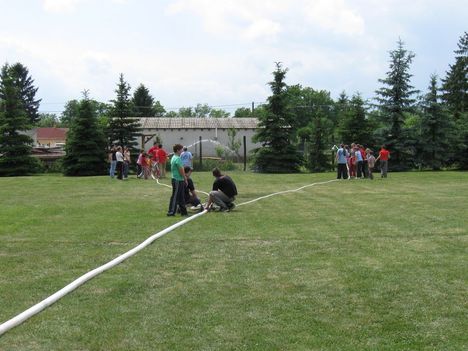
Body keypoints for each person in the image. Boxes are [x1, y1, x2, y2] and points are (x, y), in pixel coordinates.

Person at [167, 144, 188, 217]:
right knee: (175, 196)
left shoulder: (174, 157)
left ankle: (184, 212)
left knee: (181, 196)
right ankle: (171, 212)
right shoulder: (177, 158)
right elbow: (181, 170)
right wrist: (185, 178)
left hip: (178, 179)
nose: (182, 151)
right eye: (181, 149)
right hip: (177, 180)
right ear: (178, 150)